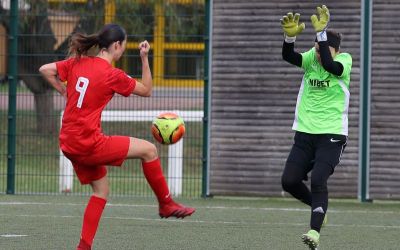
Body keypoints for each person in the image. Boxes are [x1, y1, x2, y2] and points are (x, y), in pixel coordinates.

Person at [39, 24, 195, 250]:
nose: (123, 50)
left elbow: (45, 69)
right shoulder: (112, 74)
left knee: (101, 191)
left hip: (69, 142)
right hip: (88, 143)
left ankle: (83, 247)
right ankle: (166, 204)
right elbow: (147, 90)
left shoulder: (78, 62)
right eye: (123, 45)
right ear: (116, 46)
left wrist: (62, 90)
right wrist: (144, 58)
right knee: (149, 150)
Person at [279, 5, 352, 250]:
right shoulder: (312, 55)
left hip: (332, 134)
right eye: (318, 51)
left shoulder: (343, 60)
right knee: (289, 181)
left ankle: (314, 231)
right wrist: (290, 38)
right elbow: (289, 57)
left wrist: (321, 38)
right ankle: (318, 209)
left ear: (336, 50)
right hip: (305, 133)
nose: (319, 56)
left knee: (319, 178)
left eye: (324, 50)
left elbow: (331, 66)